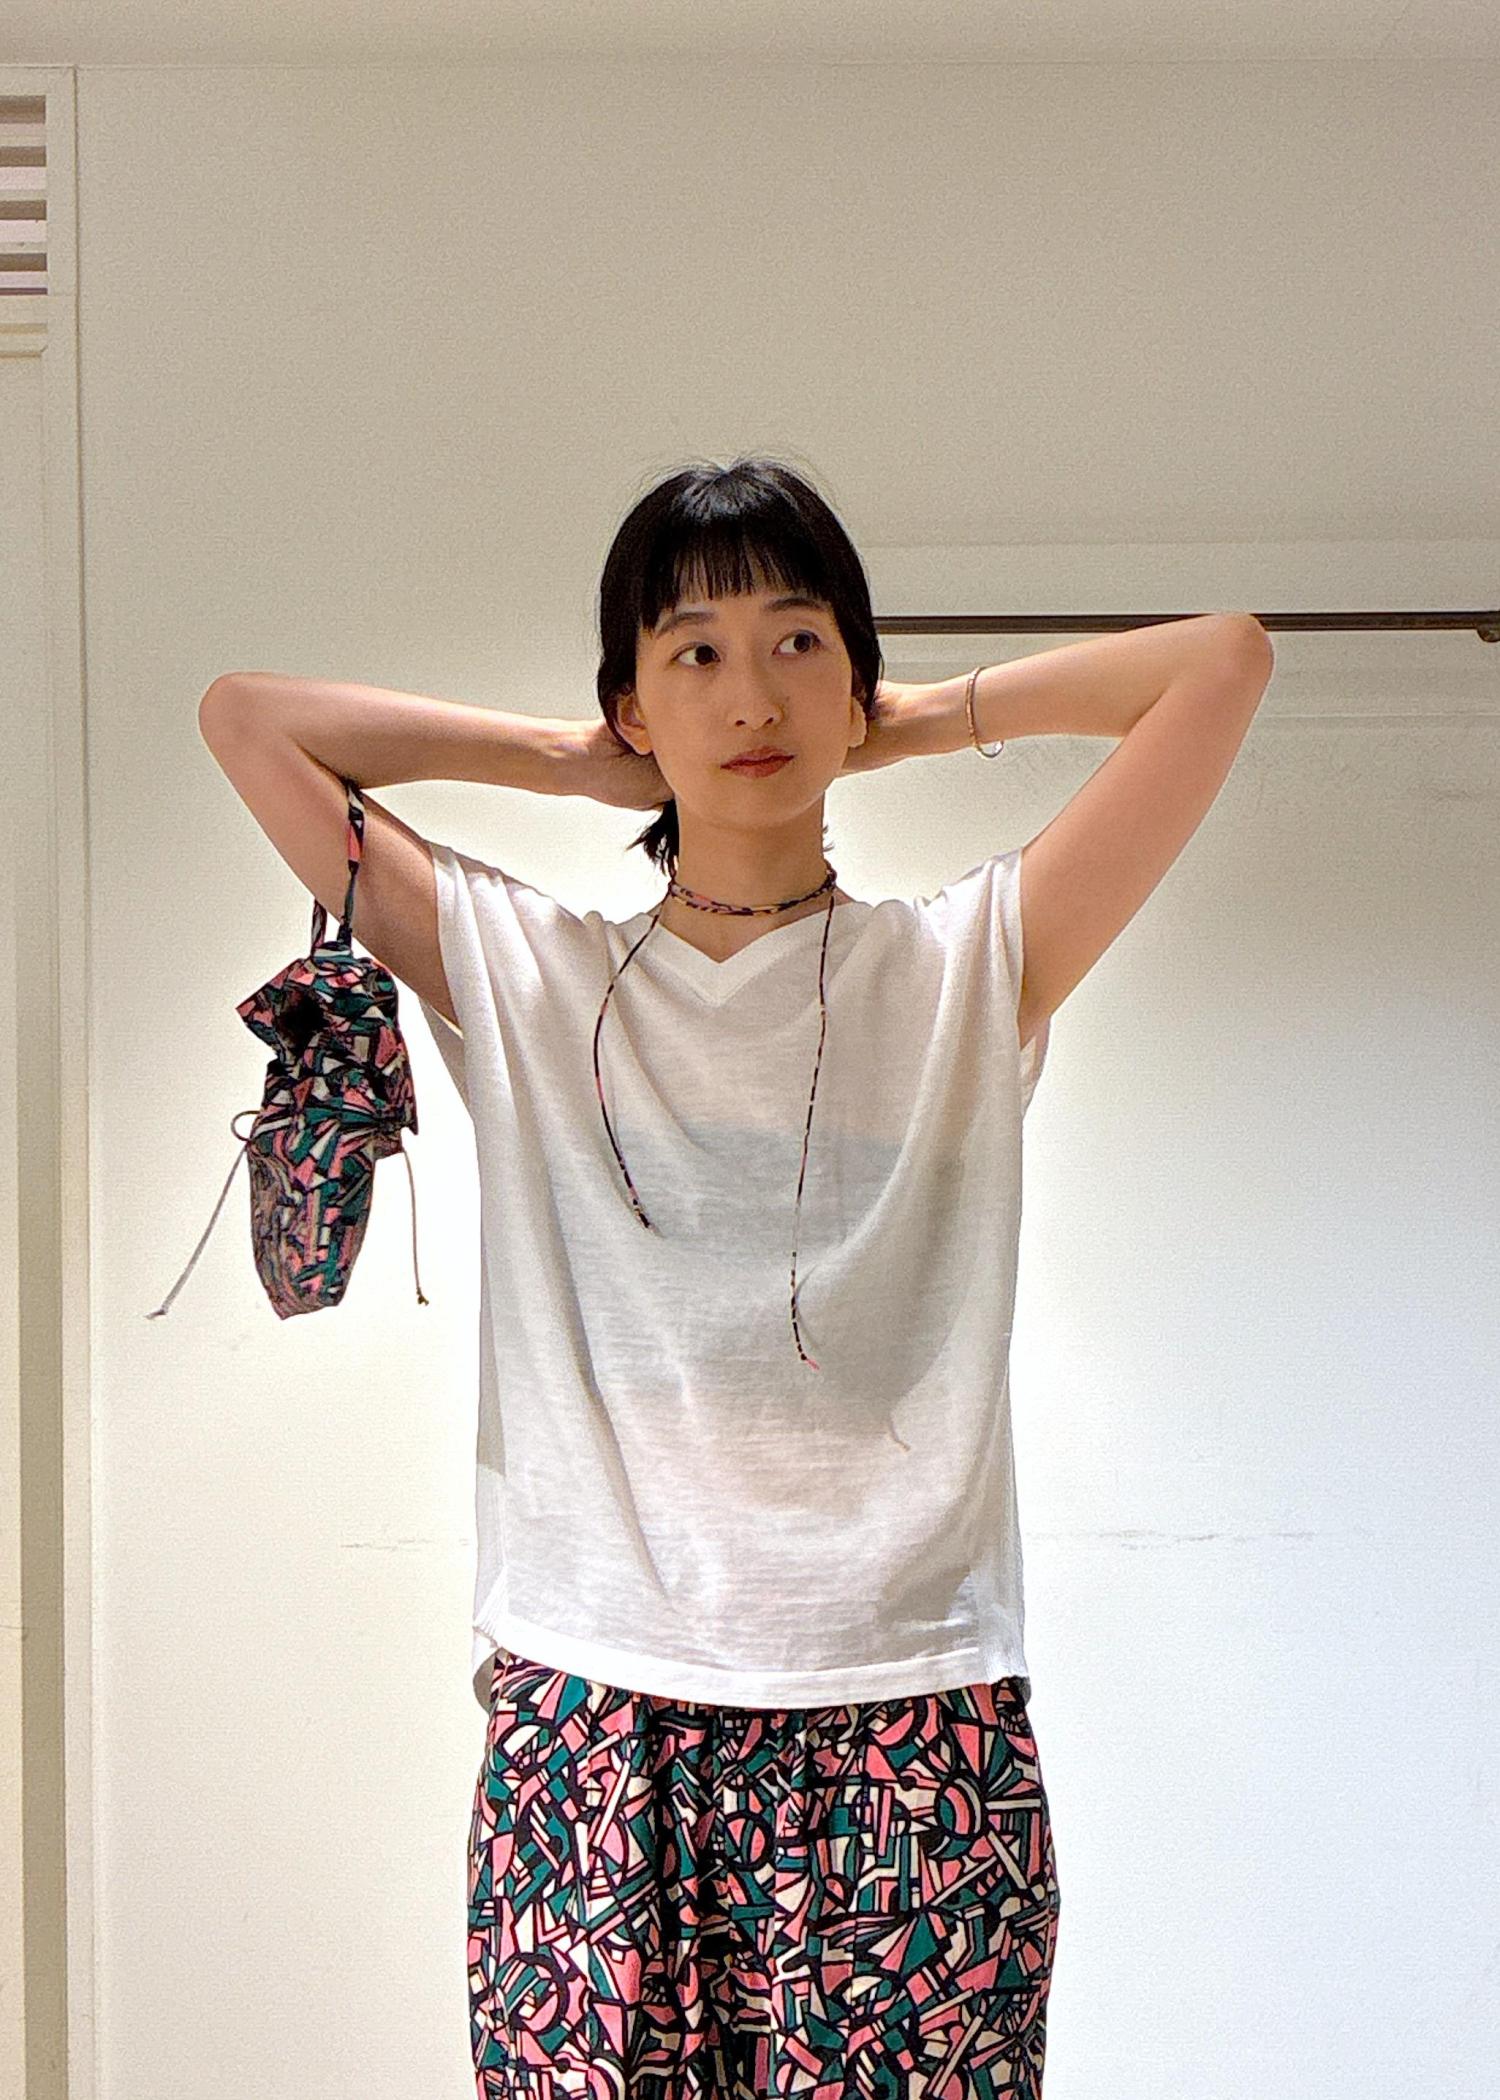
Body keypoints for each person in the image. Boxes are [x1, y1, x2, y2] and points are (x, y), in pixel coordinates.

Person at [198, 452, 1273, 2097]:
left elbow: (1221, 662)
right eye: (693, 651)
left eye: (797, 643)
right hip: (594, 1720)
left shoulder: (971, 965)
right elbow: (249, 721)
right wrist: (575, 762)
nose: (751, 693)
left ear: (856, 678)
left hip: (911, 1717)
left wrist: (920, 720)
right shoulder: (529, 977)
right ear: (633, 699)